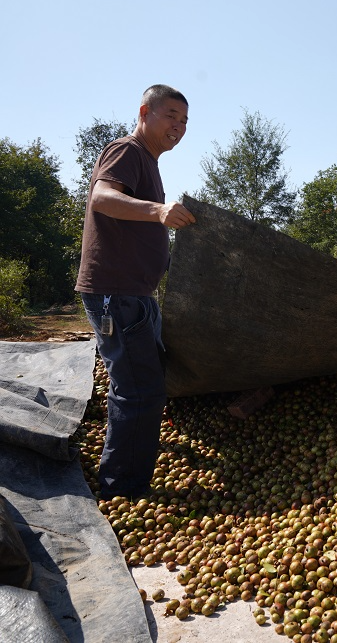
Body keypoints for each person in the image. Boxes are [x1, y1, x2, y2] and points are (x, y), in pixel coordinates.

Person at [75, 84, 196, 499]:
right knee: (138, 388)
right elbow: (102, 198)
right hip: (117, 294)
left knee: (144, 380)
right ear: (145, 111)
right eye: (171, 116)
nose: (178, 127)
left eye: (184, 121)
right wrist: (158, 210)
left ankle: (125, 472)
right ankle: (122, 488)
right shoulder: (127, 150)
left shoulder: (148, 161)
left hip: (134, 295)